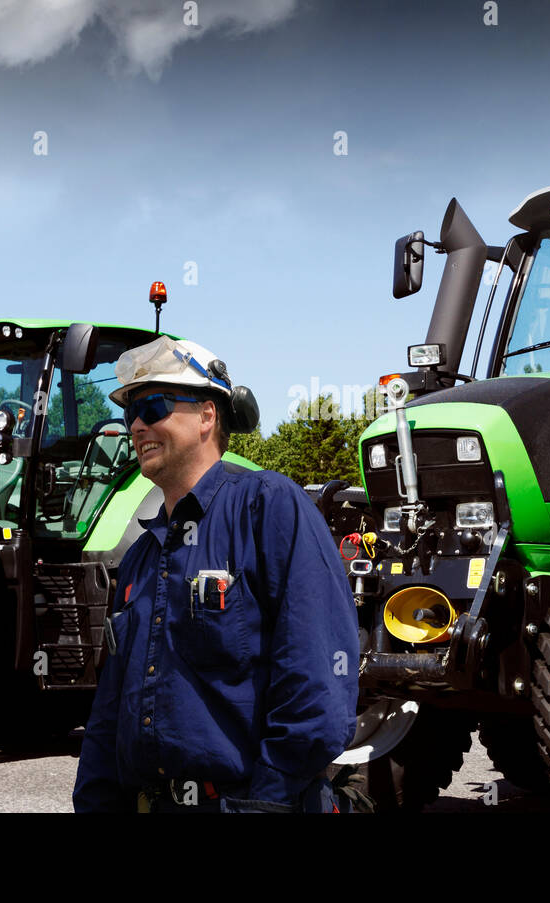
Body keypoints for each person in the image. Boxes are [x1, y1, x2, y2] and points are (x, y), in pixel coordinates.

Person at [73, 336, 359, 813]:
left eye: (154, 405)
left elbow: (316, 686)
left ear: (207, 415)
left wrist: (265, 802)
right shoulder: (142, 556)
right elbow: (110, 708)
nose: (138, 425)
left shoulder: (269, 508)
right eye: (131, 415)